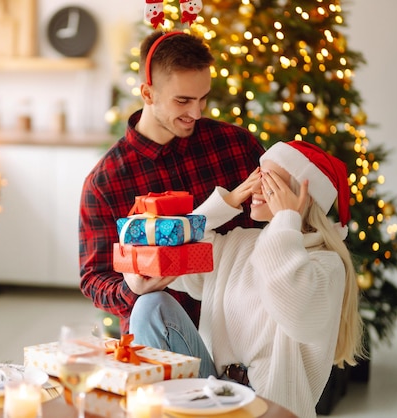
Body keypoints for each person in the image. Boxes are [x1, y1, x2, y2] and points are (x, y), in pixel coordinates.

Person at [78, 30, 265, 378]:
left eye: (203, 98)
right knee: (149, 305)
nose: (196, 112)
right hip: (161, 344)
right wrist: (129, 289)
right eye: (182, 101)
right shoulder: (105, 182)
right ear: (148, 93)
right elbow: (93, 278)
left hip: (247, 340)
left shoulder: (236, 146)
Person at [131, 140, 365, 418]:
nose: (256, 186)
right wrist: (228, 201)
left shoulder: (326, 265)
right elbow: (175, 248)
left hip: (271, 408)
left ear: (305, 196)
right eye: (258, 175)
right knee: (152, 306)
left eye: (271, 182)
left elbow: (289, 299)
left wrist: (286, 219)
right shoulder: (240, 243)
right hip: (214, 393)